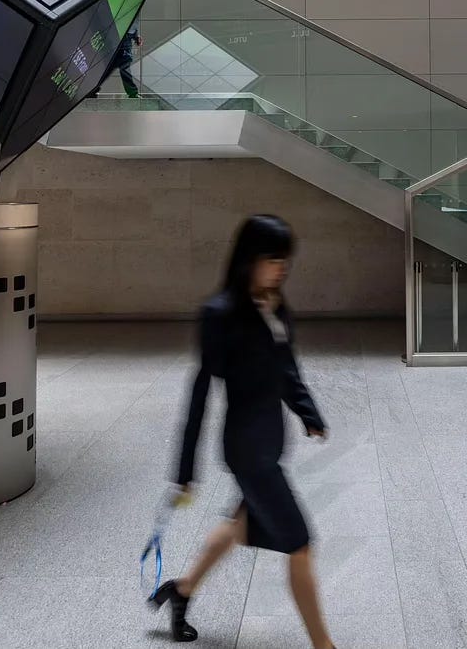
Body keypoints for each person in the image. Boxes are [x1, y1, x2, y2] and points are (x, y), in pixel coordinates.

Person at [149, 215, 337, 649]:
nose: (281, 268)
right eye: (273, 259)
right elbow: (200, 392)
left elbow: (286, 368)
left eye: (285, 260)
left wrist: (308, 412)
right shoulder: (220, 314)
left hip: (270, 442)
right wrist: (185, 468)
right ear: (249, 259)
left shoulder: (275, 305)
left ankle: (181, 591)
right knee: (300, 544)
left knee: (239, 525)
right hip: (247, 450)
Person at [118, 25, 142, 97]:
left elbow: (134, 22)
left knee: (125, 64)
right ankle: (132, 93)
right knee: (124, 64)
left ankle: (132, 93)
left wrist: (136, 35)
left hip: (127, 35)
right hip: (120, 33)